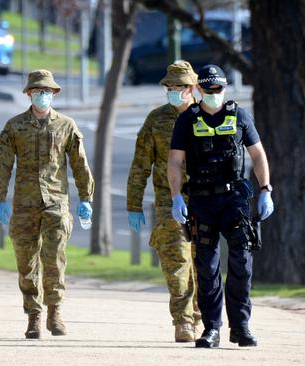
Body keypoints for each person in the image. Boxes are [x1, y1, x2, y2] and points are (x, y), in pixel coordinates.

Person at [167, 64, 274, 348]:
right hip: (202, 200)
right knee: (207, 265)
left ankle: (240, 326)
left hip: (233, 199)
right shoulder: (187, 120)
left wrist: (265, 190)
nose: (214, 93)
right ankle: (211, 328)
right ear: (199, 89)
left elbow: (258, 154)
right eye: (208, 89)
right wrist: (176, 196)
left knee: (241, 261)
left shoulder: (239, 115)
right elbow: (175, 161)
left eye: (218, 89)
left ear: (224, 88)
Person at [0, 69, 94, 339]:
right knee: (26, 263)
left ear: (54, 94)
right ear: (28, 94)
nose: (42, 96)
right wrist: (0, 199)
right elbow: (3, 164)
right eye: (38, 92)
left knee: (54, 259)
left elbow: (80, 165)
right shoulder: (14, 126)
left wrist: (86, 198)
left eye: (47, 92)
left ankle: (54, 312)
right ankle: (33, 315)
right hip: (24, 205)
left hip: (55, 203)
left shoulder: (66, 126)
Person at [126, 61, 201, 342]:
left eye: (178, 87)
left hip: (204, 200)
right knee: (176, 261)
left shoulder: (205, 116)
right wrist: (133, 204)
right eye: (168, 87)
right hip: (168, 201)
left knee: (201, 262)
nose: (172, 91)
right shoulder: (156, 120)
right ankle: (183, 320)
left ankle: (201, 316)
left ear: (192, 87)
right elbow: (140, 164)